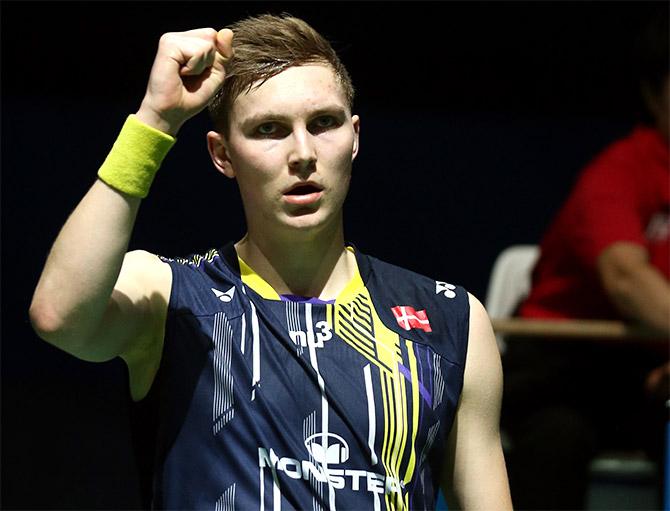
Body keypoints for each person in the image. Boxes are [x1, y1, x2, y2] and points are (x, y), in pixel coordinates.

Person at [28, 13, 512, 510]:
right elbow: (59, 315)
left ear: (355, 135)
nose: (303, 153)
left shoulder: (452, 323)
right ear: (223, 155)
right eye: (269, 130)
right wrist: (154, 119)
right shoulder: (173, 300)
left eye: (323, 123)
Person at [501, 13, 669, 511]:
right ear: (655, 94)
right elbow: (627, 280)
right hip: (560, 365)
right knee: (558, 439)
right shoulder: (618, 172)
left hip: (644, 365)